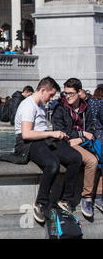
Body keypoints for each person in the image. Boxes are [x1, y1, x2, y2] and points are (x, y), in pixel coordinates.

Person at [13, 76, 82, 224]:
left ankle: (66, 199)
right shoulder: (28, 106)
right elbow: (26, 134)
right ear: (43, 90)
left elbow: (41, 129)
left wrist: (57, 136)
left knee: (75, 158)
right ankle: (40, 203)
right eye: (51, 95)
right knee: (52, 164)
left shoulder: (41, 105)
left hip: (43, 140)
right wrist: (51, 133)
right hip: (28, 143)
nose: (52, 99)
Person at [51, 78, 98, 218]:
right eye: (66, 93)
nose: (68, 96)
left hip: (80, 143)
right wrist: (81, 134)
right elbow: (59, 130)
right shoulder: (60, 108)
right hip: (67, 144)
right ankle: (87, 197)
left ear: (79, 92)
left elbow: (92, 130)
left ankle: (99, 195)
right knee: (92, 161)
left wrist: (80, 138)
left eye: (71, 93)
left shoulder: (86, 107)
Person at [87, 86, 103, 212]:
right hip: (100, 135)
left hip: (92, 135)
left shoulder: (90, 101)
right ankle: (97, 195)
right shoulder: (102, 103)